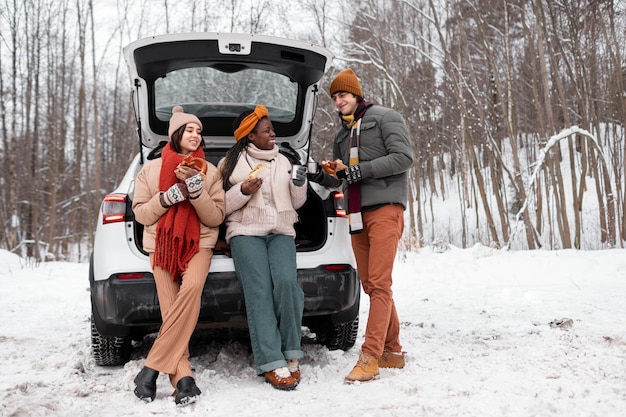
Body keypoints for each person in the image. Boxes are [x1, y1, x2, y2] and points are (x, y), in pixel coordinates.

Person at [131, 106, 225, 405]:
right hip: (162, 246)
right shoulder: (151, 170)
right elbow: (142, 214)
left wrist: (197, 192)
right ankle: (185, 380)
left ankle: (150, 369)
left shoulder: (209, 171)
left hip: (199, 245)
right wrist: (166, 198)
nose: (196, 136)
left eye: (199, 131)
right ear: (176, 135)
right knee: (172, 312)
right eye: (189, 130)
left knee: (193, 288)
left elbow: (215, 218)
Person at [324, 68, 413, 383]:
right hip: (356, 212)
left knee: (379, 282)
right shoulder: (341, 135)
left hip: (385, 208)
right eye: (334, 97)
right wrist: (333, 171)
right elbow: (344, 176)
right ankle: (393, 351)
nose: (339, 101)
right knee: (372, 285)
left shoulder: (385, 117)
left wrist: (358, 170)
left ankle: (370, 356)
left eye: (343, 94)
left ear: (356, 94)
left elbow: (403, 157)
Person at [218, 104, 307, 390]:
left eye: (272, 129)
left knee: (286, 284)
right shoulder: (229, 164)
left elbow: (297, 203)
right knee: (258, 289)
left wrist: (299, 183)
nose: (273, 133)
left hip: (281, 230)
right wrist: (243, 191)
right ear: (251, 136)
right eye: (267, 130)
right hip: (245, 231)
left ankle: (291, 352)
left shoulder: (284, 161)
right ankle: (272, 361)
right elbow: (219, 207)